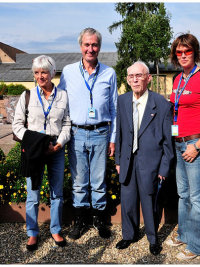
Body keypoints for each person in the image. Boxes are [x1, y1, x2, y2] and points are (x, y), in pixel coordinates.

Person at [57, 28, 118, 240]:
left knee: (99, 180)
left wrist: (113, 139)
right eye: (86, 45)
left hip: (101, 133)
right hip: (76, 134)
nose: (90, 49)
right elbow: (61, 103)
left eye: (94, 45)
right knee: (79, 181)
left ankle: (100, 220)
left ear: (99, 47)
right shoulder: (68, 72)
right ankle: (80, 220)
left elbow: (114, 109)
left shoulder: (109, 73)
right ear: (80, 46)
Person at [166, 33, 200, 260]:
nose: (182, 55)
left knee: (197, 197)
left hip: (194, 144)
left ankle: (197, 246)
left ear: (195, 52)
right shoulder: (178, 79)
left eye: (187, 51)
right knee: (183, 195)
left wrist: (197, 146)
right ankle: (185, 234)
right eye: (178, 52)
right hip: (179, 143)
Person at [114, 62, 174, 256]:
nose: (135, 79)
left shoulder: (162, 104)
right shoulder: (122, 101)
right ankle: (128, 235)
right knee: (128, 200)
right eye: (131, 76)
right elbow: (120, 134)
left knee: (149, 202)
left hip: (151, 163)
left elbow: (167, 141)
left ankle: (153, 238)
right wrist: (117, 161)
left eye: (139, 75)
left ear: (148, 78)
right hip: (127, 162)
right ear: (127, 79)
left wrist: (164, 168)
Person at [12, 55, 71, 251]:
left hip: (55, 148)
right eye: (37, 73)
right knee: (33, 194)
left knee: (57, 193)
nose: (40, 76)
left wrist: (60, 144)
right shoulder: (26, 96)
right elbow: (17, 125)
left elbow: (67, 123)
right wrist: (33, 142)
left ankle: (55, 229)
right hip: (34, 150)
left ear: (52, 73)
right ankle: (32, 233)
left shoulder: (63, 95)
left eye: (44, 72)